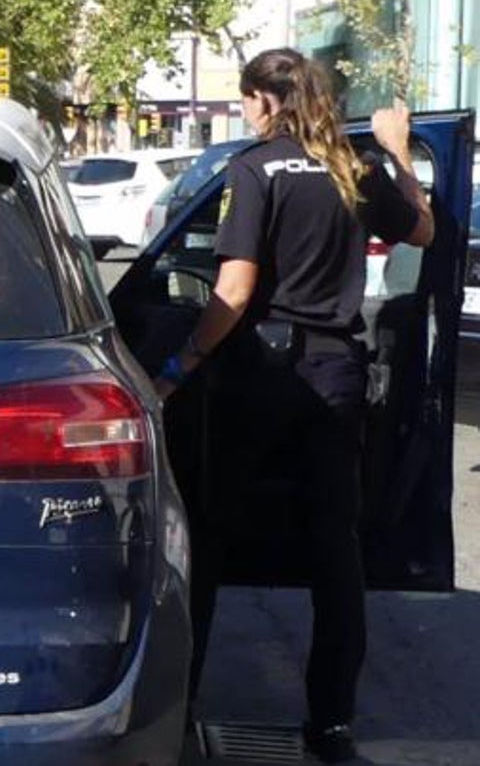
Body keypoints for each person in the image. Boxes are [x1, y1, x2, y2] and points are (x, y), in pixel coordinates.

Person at [154, 48, 433, 763]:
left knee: (209, 538)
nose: (247, 112)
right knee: (334, 552)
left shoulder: (254, 169)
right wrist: (401, 154)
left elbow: (236, 290)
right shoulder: (355, 167)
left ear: (264, 101)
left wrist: (180, 366)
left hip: (258, 376)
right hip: (335, 372)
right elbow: (423, 232)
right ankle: (331, 722)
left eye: (247, 100)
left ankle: (181, 705)